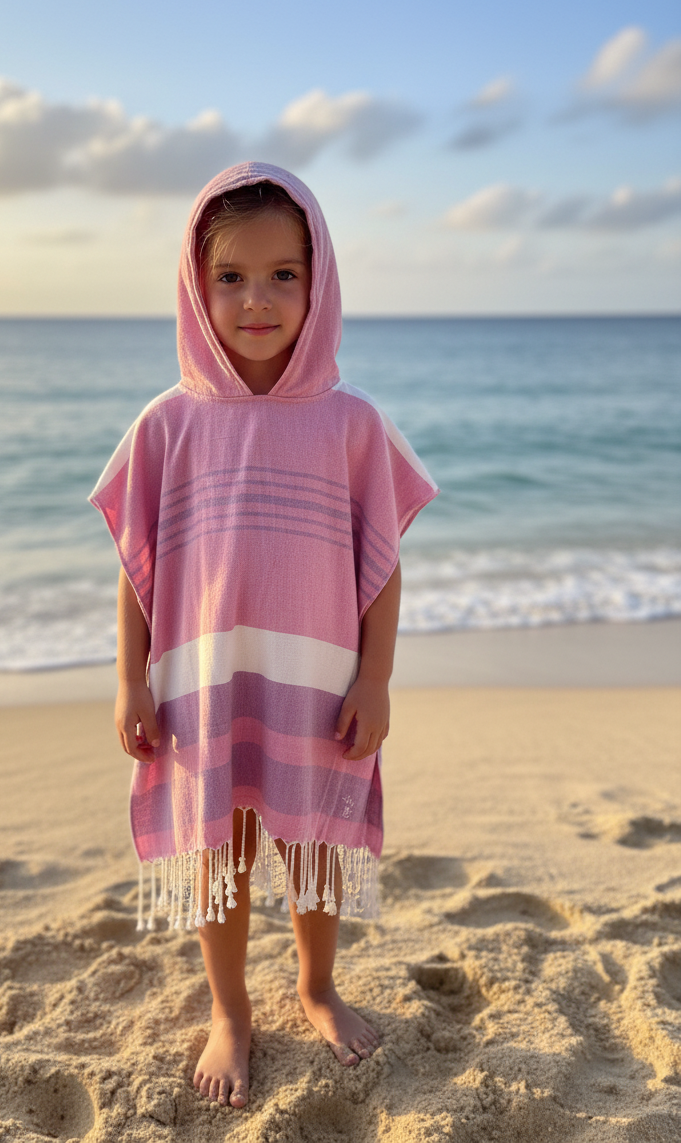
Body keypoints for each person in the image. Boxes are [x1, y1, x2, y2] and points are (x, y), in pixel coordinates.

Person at [90, 162, 437, 1109]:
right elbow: (139, 568)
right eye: (231, 277)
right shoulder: (169, 425)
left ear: (318, 281)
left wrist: (377, 680)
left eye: (285, 274)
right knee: (223, 853)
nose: (257, 299)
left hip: (319, 684)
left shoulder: (350, 423)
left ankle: (316, 988)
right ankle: (230, 1010)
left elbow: (381, 564)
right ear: (195, 287)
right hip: (208, 684)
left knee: (316, 846)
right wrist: (132, 682)